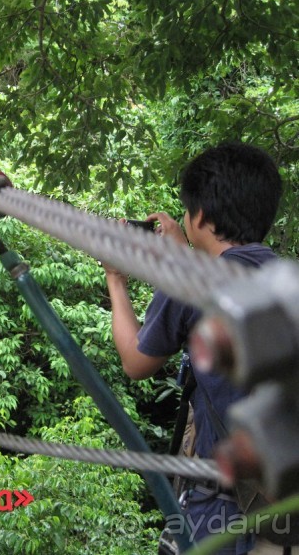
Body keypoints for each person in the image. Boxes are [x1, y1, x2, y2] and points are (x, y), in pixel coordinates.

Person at [104, 142, 284, 554]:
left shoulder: (191, 284)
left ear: (199, 215)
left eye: (187, 213)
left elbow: (136, 361)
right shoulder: (282, 278)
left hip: (224, 507)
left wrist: (116, 279)